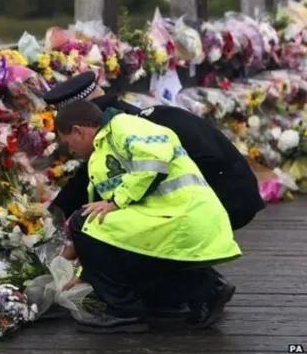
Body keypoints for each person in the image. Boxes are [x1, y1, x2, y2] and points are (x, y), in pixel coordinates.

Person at [55, 99, 241, 333]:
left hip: (181, 217)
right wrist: (85, 274)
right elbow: (103, 236)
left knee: (84, 221)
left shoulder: (125, 126)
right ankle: (204, 289)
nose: (71, 150)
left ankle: (123, 311)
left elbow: (154, 163)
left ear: (78, 131)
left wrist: (115, 201)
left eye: (68, 143)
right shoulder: (105, 145)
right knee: (95, 226)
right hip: (170, 217)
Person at [45, 71, 265, 230]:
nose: (72, 148)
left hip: (226, 199)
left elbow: (90, 180)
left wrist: (52, 217)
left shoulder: (121, 128)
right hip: (235, 189)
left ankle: (204, 285)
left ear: (82, 124)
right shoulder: (133, 116)